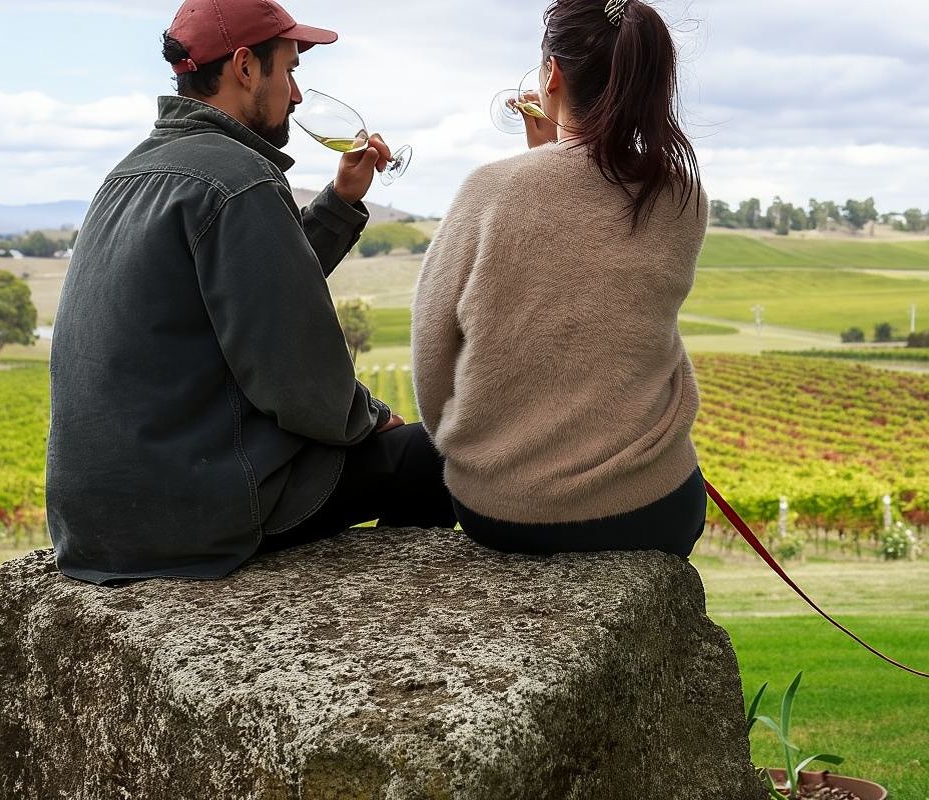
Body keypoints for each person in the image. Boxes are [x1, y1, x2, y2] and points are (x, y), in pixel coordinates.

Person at [47, 0, 455, 585]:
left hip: (97, 522)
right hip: (195, 512)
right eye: (289, 71)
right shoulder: (241, 179)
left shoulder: (129, 175)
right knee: (438, 455)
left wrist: (340, 205)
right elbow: (299, 376)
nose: (295, 95)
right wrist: (371, 418)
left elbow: (258, 288)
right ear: (244, 67)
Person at [411, 0, 708, 557]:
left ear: (552, 74)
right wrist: (553, 158)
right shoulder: (681, 196)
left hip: (502, 510)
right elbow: (615, 316)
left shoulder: (491, 191)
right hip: (656, 506)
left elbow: (432, 360)